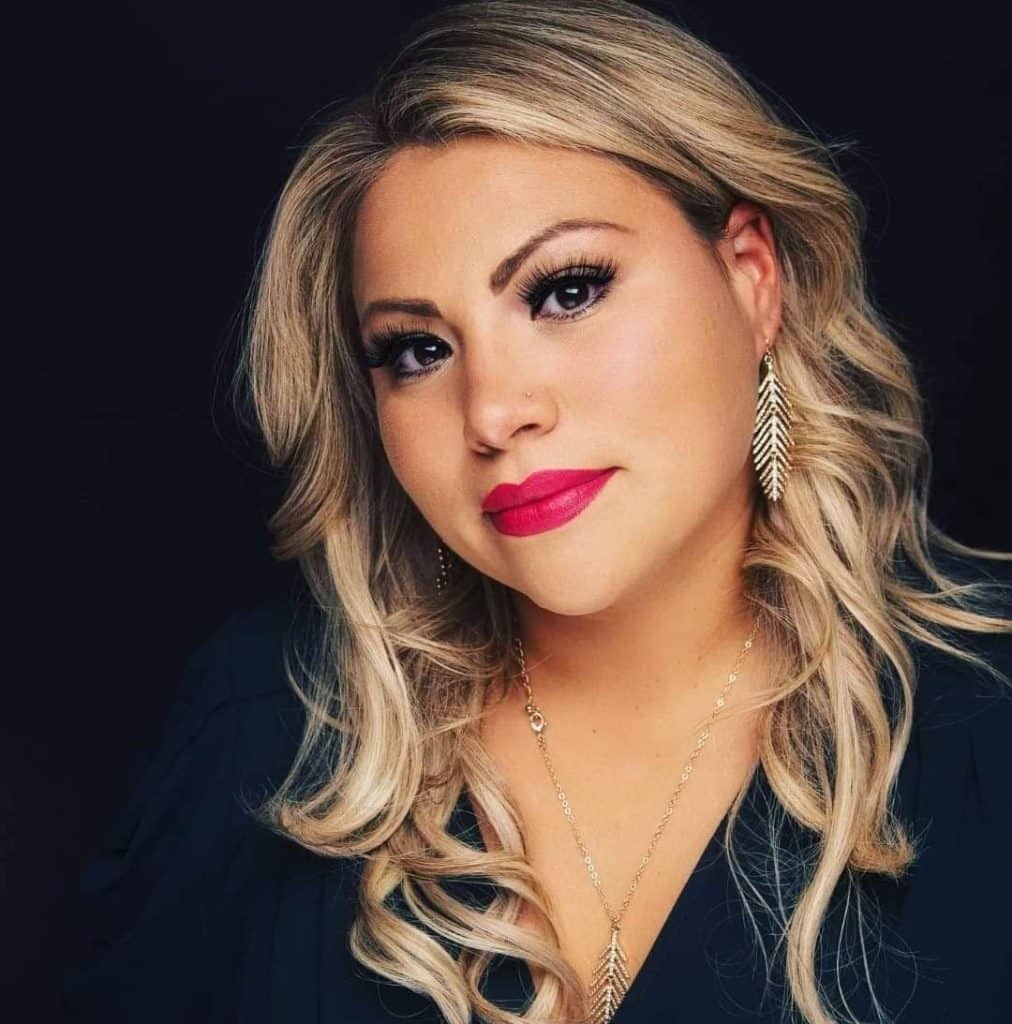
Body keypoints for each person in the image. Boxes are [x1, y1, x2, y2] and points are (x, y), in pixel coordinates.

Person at [60, 1, 1012, 1022]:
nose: (493, 412)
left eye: (565, 291)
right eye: (417, 350)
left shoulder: (982, 730)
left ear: (750, 279)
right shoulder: (261, 734)